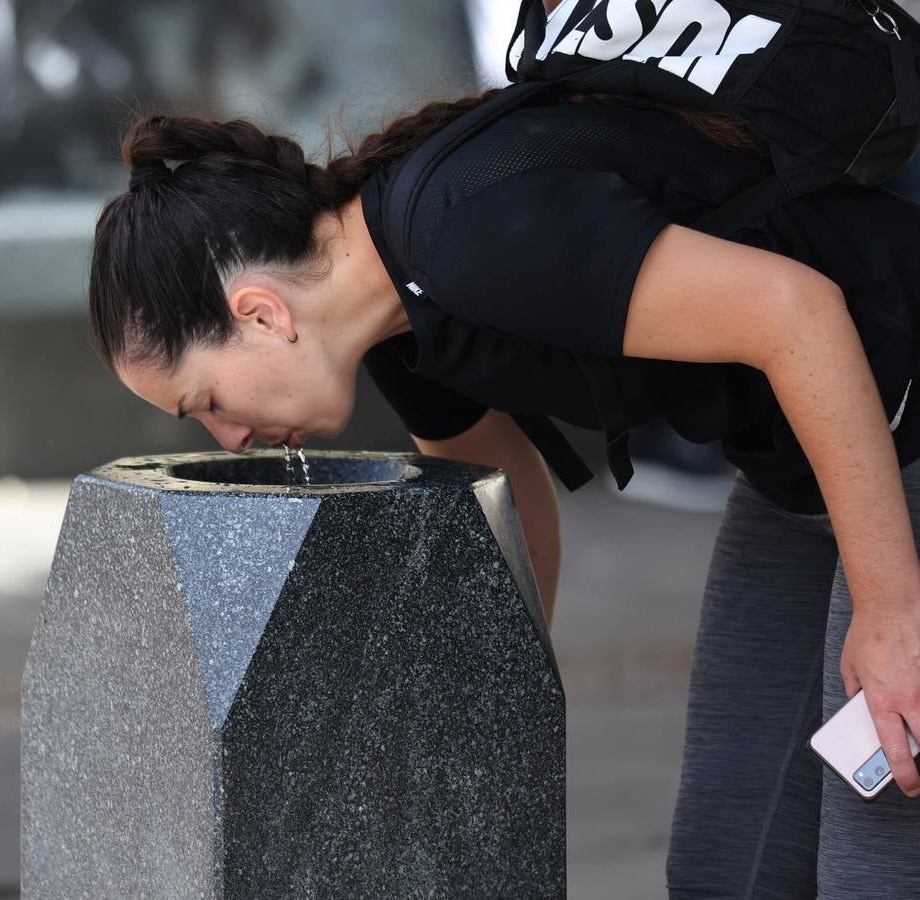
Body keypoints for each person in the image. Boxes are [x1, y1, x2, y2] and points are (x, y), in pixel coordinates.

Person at [85, 81, 920, 896]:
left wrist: (889, 612)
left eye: (207, 402)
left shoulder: (467, 232)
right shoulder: (395, 319)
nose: (229, 438)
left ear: (263, 313)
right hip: (800, 470)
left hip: (894, 427)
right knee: (726, 868)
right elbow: (506, 498)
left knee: (875, 866)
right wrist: (487, 724)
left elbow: (796, 311)